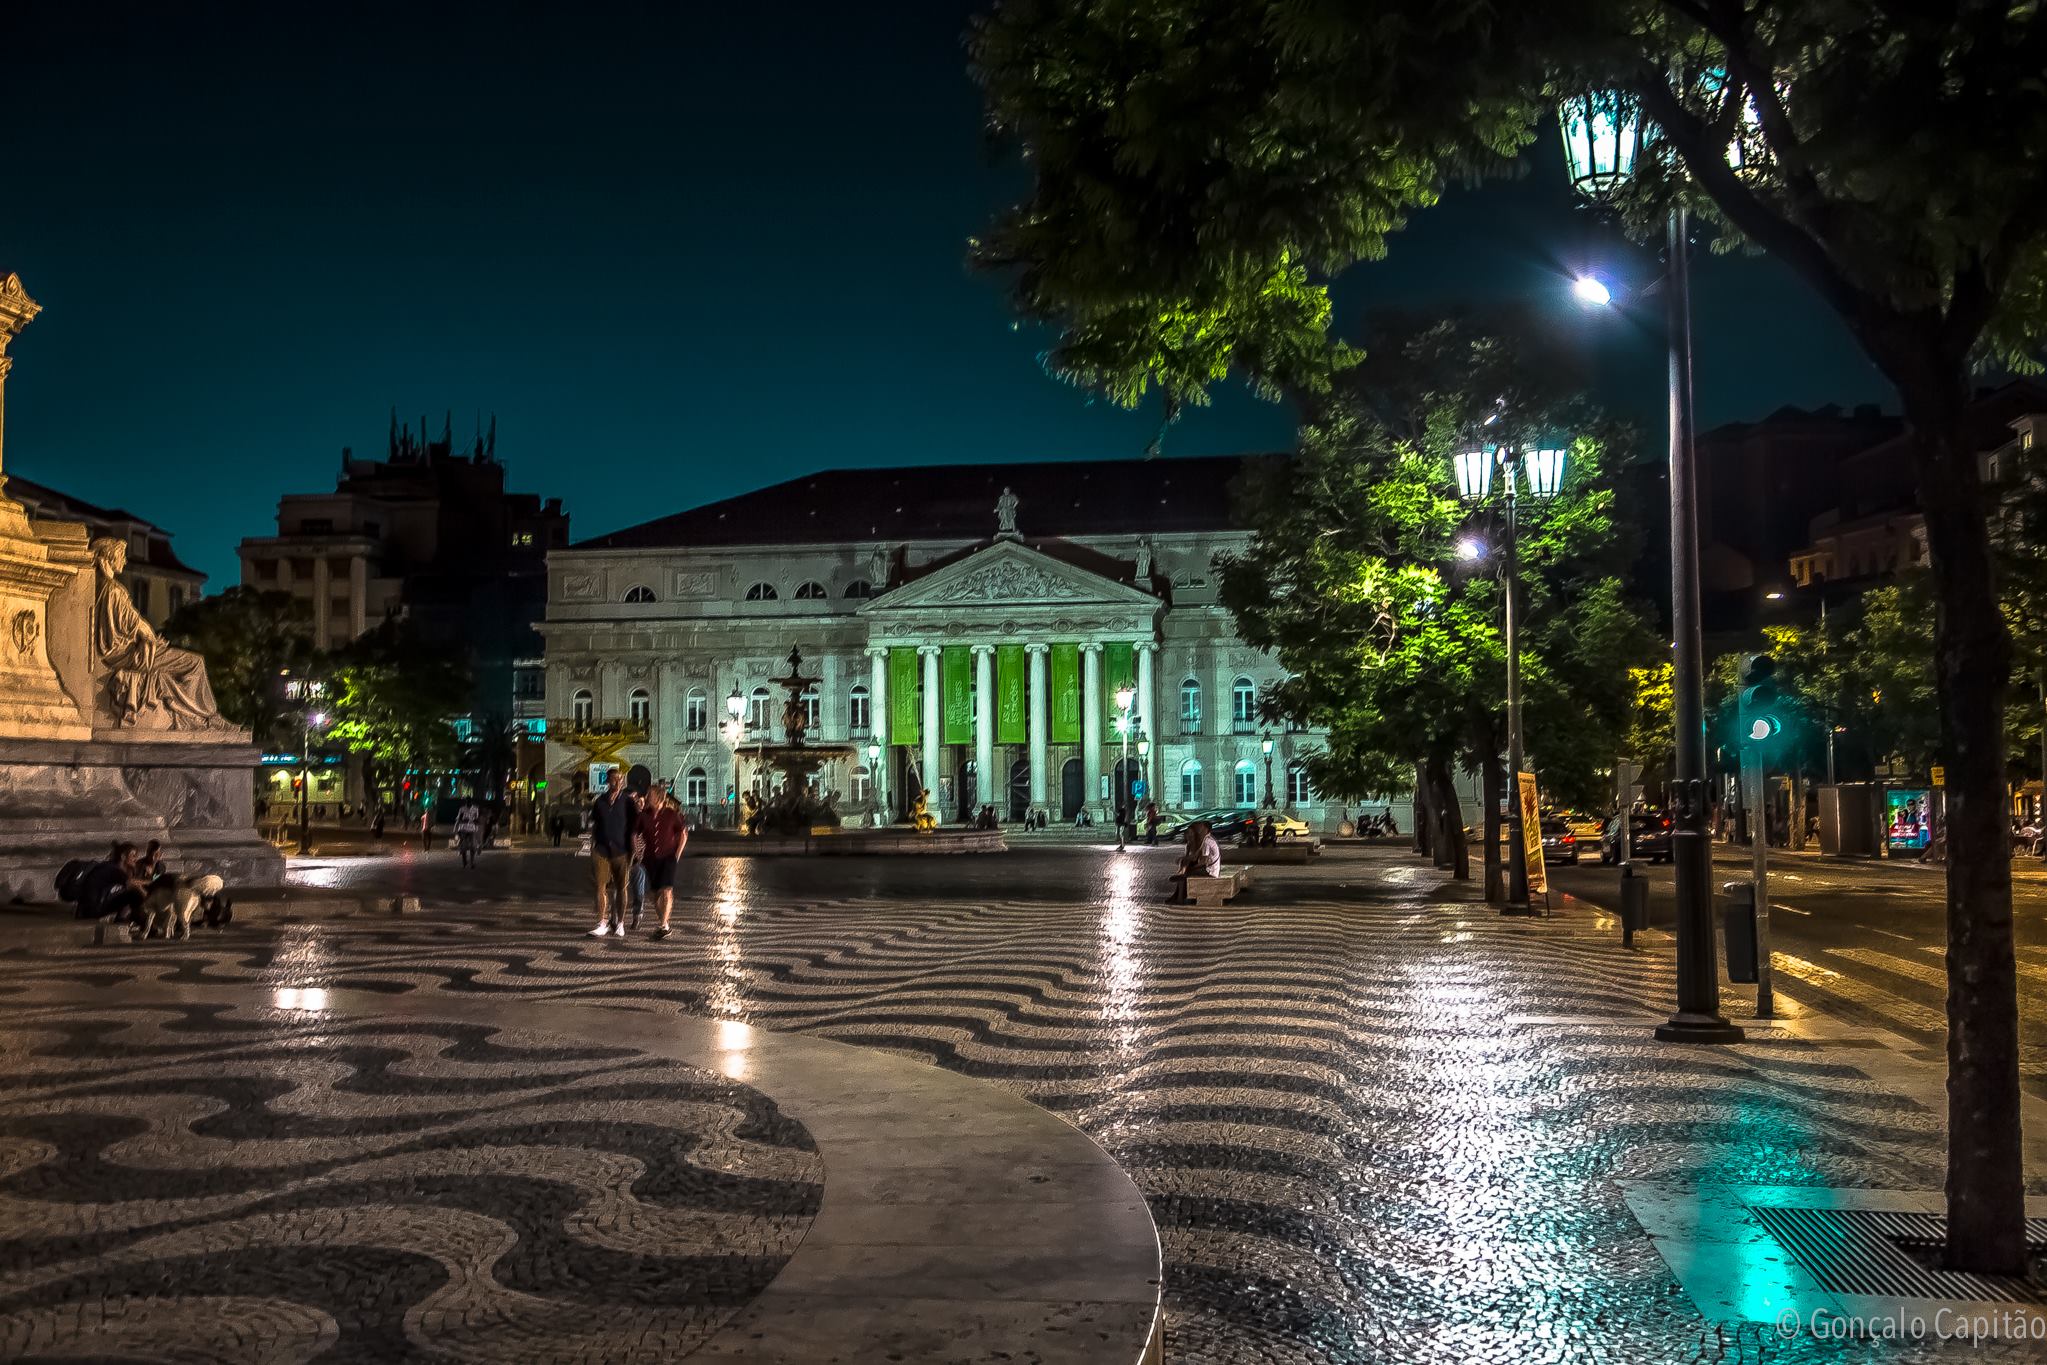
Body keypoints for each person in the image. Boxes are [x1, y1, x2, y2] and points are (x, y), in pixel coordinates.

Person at [587, 770, 635, 937]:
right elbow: (594, 824)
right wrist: (593, 845)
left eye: (620, 779)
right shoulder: (599, 801)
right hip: (601, 850)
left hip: (622, 851)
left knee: (622, 888)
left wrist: (633, 850)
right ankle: (602, 922)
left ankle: (620, 923)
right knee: (600, 886)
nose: (618, 782)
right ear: (607, 781)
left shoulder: (628, 802)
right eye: (614, 779)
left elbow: (634, 828)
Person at [637, 786, 688, 941]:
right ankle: (664, 924)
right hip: (650, 859)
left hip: (668, 857)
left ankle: (663, 925)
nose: (646, 797)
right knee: (654, 894)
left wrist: (676, 855)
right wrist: (638, 853)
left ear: (658, 797)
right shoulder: (643, 816)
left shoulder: (671, 814)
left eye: (649, 795)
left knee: (666, 890)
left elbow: (683, 833)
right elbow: (634, 833)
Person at [75, 843, 148, 931]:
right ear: (123, 856)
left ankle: (126, 920)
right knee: (134, 894)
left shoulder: (111, 866)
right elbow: (133, 884)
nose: (136, 859)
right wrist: (150, 894)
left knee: (129, 892)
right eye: (133, 855)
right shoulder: (113, 869)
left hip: (87, 909)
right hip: (92, 910)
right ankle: (141, 925)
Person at [1169, 821, 1222, 903]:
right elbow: (1195, 857)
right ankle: (1179, 895)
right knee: (1185, 871)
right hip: (1210, 868)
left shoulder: (1207, 841)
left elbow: (1203, 861)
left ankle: (1180, 897)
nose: (1199, 829)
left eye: (1201, 827)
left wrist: (1192, 868)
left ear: (1206, 829)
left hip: (1210, 871)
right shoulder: (1207, 839)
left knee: (1186, 874)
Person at [454, 799, 482, 868]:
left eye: (469, 802)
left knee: (472, 846)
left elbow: (477, 819)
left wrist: (474, 820)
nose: (468, 803)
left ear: (471, 802)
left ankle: (472, 862)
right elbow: (458, 818)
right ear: (465, 802)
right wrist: (458, 824)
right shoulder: (462, 809)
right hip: (463, 828)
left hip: (471, 829)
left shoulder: (475, 809)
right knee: (463, 846)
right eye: (467, 802)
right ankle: (464, 861)